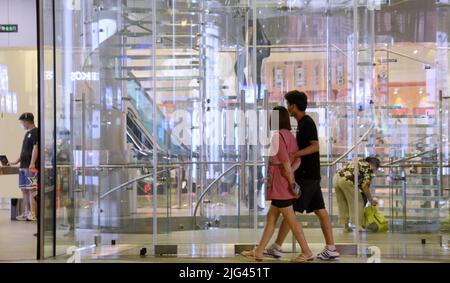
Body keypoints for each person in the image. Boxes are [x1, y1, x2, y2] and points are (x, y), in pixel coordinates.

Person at [265, 91, 340, 261]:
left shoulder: (307, 123)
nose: (287, 108)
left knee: (290, 212)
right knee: (320, 211)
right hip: (311, 176)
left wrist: (294, 155)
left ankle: (280, 247)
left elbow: (315, 146)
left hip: (306, 176)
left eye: (288, 104)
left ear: (293, 106)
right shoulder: (301, 124)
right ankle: (331, 248)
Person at [241, 106, 314, 263]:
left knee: (290, 219)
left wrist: (289, 179)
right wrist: (290, 175)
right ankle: (259, 252)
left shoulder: (277, 136)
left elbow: (286, 161)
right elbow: (297, 160)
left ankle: (307, 252)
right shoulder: (289, 135)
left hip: (281, 185)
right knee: (271, 217)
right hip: (284, 182)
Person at [334, 157, 380, 232]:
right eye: (376, 168)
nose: (375, 170)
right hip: (347, 180)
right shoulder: (368, 168)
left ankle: (345, 226)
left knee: (343, 203)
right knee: (359, 202)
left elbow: (360, 182)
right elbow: (365, 186)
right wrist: (371, 200)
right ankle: (359, 226)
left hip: (336, 178)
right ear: (374, 165)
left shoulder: (359, 161)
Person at [9, 113, 39, 221]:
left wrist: (32, 163)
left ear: (26, 121)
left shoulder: (36, 132)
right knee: (24, 189)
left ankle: (33, 213)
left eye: (21, 122)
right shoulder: (27, 134)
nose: (21, 125)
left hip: (30, 167)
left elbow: (36, 148)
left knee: (31, 190)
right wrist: (16, 161)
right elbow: (24, 151)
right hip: (23, 166)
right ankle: (27, 212)